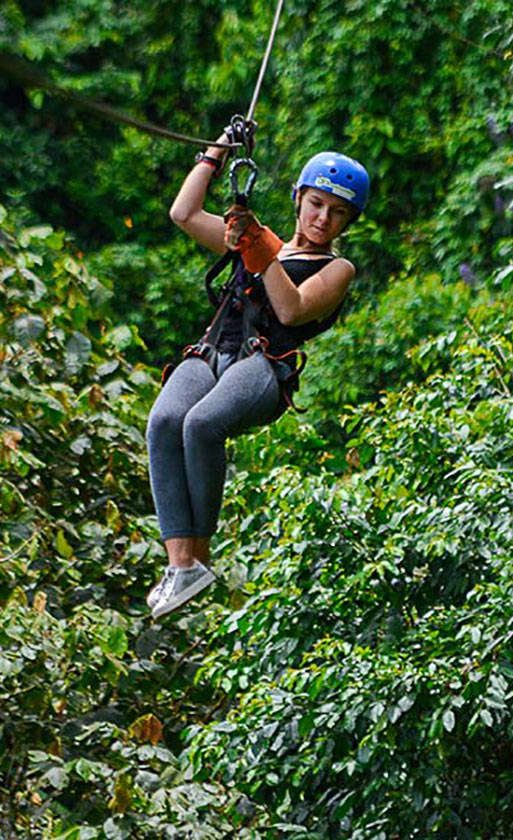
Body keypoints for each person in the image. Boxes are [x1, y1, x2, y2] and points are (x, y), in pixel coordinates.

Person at [145, 131, 370, 619]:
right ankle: (179, 565)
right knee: (164, 421)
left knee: (202, 425)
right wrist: (217, 151)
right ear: (299, 198)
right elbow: (182, 214)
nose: (322, 219)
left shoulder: (337, 269)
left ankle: (199, 560)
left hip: (264, 365)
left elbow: (291, 311)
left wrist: (260, 244)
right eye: (315, 204)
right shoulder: (256, 243)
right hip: (212, 352)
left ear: (347, 222)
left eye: (336, 213)